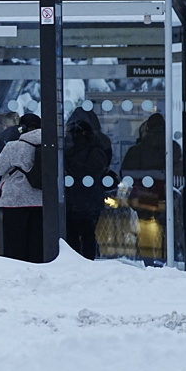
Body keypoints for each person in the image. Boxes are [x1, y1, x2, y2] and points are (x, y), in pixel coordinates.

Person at [122, 112, 178, 265]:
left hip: (143, 195)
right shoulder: (173, 146)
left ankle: (148, 260)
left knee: (145, 228)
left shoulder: (138, 149)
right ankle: (166, 259)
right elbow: (179, 170)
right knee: (166, 228)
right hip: (165, 194)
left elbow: (126, 171)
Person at [0, 121, 44, 263]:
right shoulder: (50, 146)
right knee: (36, 244)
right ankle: (37, 273)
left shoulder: (14, 146)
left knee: (14, 244)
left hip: (14, 201)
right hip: (41, 201)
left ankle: (17, 275)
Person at [63, 108, 112, 260]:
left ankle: (82, 261)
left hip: (83, 198)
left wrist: (71, 166)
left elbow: (91, 171)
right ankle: (83, 260)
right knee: (85, 234)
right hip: (86, 199)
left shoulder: (85, 150)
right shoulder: (97, 147)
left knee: (82, 234)